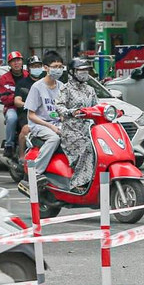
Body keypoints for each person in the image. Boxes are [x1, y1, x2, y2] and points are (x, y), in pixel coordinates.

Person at [53, 56, 100, 193]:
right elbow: (59, 106)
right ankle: (77, 183)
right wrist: (71, 112)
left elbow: (97, 107)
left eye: (86, 70)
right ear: (73, 72)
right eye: (81, 70)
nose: (84, 72)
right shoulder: (66, 89)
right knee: (87, 148)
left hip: (89, 130)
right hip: (71, 131)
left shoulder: (90, 89)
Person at [19, 52, 65, 191]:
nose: (58, 69)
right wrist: (50, 126)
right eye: (55, 66)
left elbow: (63, 111)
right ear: (46, 68)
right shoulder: (37, 87)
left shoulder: (62, 86)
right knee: (54, 139)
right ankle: (36, 172)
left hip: (58, 123)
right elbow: (31, 115)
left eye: (60, 66)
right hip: (39, 124)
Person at [0, 51, 33, 158]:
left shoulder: (29, 75)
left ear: (22, 62)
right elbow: (4, 98)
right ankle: (9, 145)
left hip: (28, 107)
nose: (16, 63)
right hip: (12, 107)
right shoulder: (4, 79)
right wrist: (18, 99)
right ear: (9, 64)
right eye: (13, 61)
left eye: (18, 60)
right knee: (12, 118)